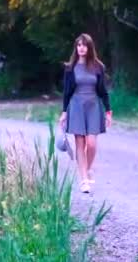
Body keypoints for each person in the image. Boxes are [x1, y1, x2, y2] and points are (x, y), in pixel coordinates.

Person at [59, 33, 112, 193]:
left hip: (94, 106)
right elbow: (67, 92)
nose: (81, 48)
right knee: (80, 143)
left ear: (89, 47)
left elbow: (103, 91)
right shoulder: (70, 68)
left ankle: (87, 169)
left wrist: (108, 110)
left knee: (91, 143)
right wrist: (64, 112)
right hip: (76, 106)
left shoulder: (98, 67)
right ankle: (83, 180)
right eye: (79, 45)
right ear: (76, 48)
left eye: (84, 45)